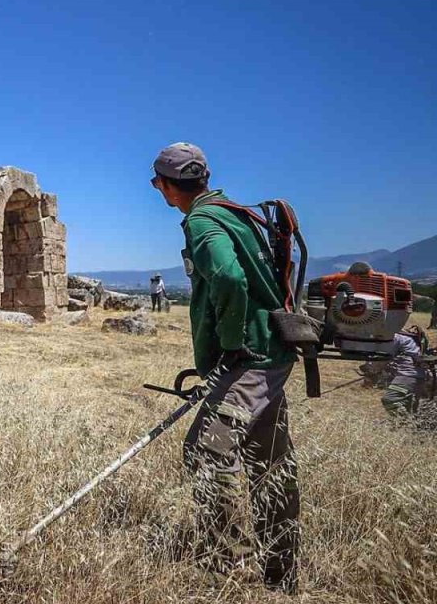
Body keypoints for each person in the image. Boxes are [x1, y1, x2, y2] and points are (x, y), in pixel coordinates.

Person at [150, 142, 301, 593]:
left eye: (158, 182)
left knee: (207, 449)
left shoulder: (201, 220)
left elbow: (230, 277)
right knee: (268, 461)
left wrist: (231, 344)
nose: (158, 189)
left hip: (249, 359)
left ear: (168, 186)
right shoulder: (235, 212)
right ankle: (282, 573)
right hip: (271, 353)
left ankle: (225, 566)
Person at [380, 327, 429, 419]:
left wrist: (372, 369)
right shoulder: (412, 338)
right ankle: (410, 427)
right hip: (418, 377)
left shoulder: (397, 337)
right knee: (410, 406)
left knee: (390, 399)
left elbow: (384, 357)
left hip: (407, 376)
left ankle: (405, 422)